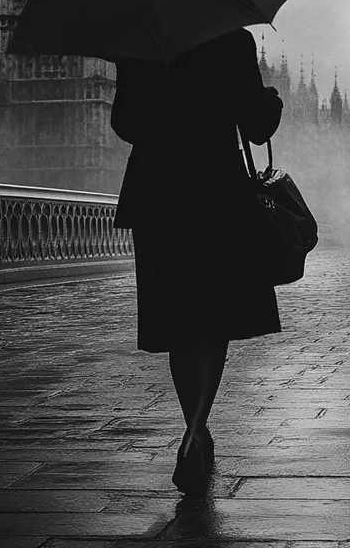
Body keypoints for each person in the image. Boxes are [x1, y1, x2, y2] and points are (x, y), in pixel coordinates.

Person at [111, 28, 282, 495]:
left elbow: (124, 122)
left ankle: (195, 432)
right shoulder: (232, 40)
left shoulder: (140, 42)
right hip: (217, 192)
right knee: (213, 319)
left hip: (156, 195)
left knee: (178, 320)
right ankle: (193, 434)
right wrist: (270, 100)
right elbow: (257, 126)